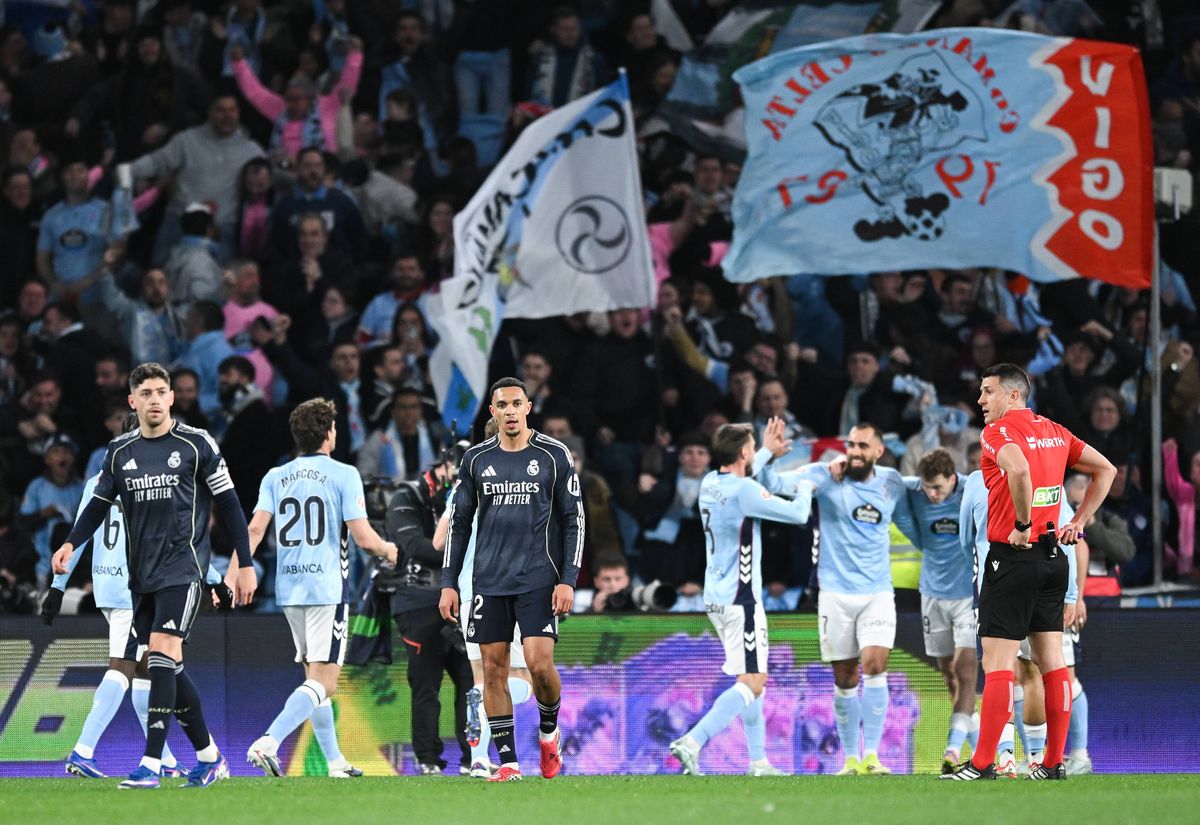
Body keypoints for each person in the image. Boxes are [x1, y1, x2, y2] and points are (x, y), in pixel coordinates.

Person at [52, 362, 257, 789]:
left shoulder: (197, 444)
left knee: (160, 656)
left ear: (172, 398)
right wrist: (71, 543)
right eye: (145, 393)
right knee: (170, 668)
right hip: (138, 578)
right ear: (133, 401)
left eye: (161, 391)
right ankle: (210, 757)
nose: (154, 399)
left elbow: (233, 505)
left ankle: (150, 764)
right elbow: (96, 504)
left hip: (184, 571)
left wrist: (245, 564)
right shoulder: (120, 452)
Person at [942, 363, 1114, 781]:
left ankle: (983, 764)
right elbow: (1105, 469)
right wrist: (1080, 521)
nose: (981, 401)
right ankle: (1053, 763)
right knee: (1052, 662)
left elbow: (1017, 469)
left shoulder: (997, 432)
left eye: (987, 392)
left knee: (998, 664)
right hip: (1056, 556)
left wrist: (1021, 524)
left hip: (1012, 557)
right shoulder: (1056, 430)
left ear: (1013, 395)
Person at [43, 452, 230, 780]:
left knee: (147, 671)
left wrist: (58, 587)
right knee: (126, 666)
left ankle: (167, 760)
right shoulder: (149, 481)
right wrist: (215, 579)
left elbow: (79, 536)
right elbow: (175, 542)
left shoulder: (94, 484)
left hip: (106, 587)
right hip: (137, 586)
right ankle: (83, 750)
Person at [237, 398, 397, 778]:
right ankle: (269, 741)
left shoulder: (276, 476)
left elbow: (255, 530)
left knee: (314, 678)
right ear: (329, 433)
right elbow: (363, 537)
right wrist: (389, 549)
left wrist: (235, 572)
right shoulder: (343, 474)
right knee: (324, 681)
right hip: (326, 588)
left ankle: (335, 763)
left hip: (290, 588)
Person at [439, 377, 583, 782]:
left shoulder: (554, 455)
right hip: (489, 581)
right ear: (493, 412)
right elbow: (459, 525)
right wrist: (449, 582)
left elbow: (574, 519)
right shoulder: (476, 460)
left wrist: (568, 579)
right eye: (502, 405)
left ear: (528, 407)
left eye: (516, 404)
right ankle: (508, 763)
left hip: (540, 578)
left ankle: (549, 731)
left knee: (539, 665)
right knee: (493, 670)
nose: (510, 411)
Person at [667, 419, 814, 777]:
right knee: (754, 680)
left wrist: (765, 451)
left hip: (716, 595)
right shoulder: (744, 490)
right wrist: (808, 485)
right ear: (743, 453)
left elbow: (744, 476)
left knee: (751, 681)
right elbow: (799, 513)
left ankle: (758, 761)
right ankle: (692, 742)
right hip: (741, 599)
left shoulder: (710, 483)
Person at [793, 422, 915, 776]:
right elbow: (788, 481)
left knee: (875, 666)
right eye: (851, 445)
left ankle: (873, 756)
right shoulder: (829, 476)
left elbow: (917, 504)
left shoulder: (892, 482)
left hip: (877, 592)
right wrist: (809, 469)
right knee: (845, 675)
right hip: (833, 593)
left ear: (879, 450)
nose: (855, 452)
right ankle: (849, 759)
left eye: (863, 446)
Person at [960, 468, 1086, 778]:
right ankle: (1011, 756)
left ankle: (1030, 756)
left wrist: (1072, 594)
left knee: (1020, 669)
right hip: (1014, 579)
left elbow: (1067, 533)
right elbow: (967, 538)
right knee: (1010, 668)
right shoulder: (977, 481)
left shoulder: (1042, 474)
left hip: (1019, 580)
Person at [432, 419, 535, 778]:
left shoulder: (465, 478)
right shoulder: (522, 481)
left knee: (482, 677)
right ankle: (482, 755)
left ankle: (477, 761)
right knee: (521, 679)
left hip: (468, 588)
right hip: (510, 586)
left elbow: (439, 540)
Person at [385, 443, 474, 775]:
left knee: (470, 680)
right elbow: (416, 547)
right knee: (426, 685)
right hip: (419, 601)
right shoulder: (407, 496)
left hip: (462, 600)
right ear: (445, 466)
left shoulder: (473, 492)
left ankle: (473, 758)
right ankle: (427, 761)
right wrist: (468, 555)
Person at [900, 449, 978, 773]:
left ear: (952, 478)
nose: (932, 495)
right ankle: (979, 751)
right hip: (932, 595)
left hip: (966, 597)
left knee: (966, 670)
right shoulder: (915, 492)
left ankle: (951, 750)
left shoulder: (970, 492)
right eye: (927, 488)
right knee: (950, 677)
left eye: (938, 488)